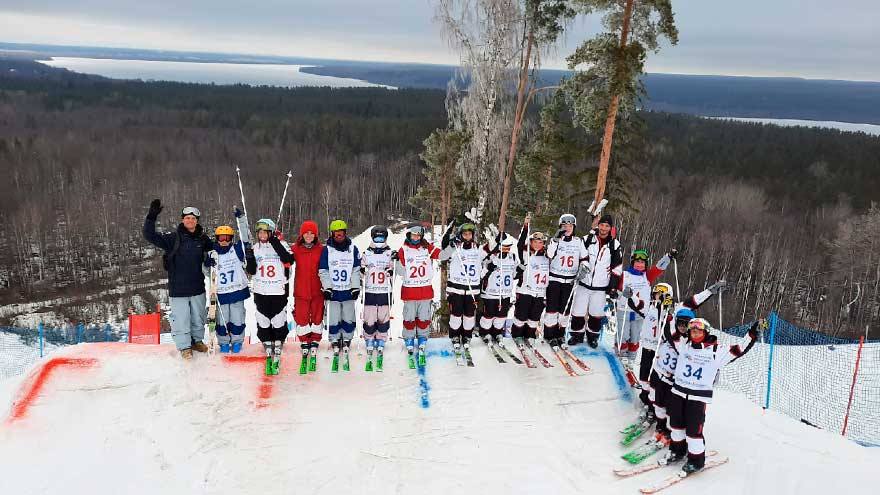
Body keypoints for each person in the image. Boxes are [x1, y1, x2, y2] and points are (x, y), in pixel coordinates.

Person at [663, 316, 762, 473]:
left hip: (697, 398)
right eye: (692, 331)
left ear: (705, 332)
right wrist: (667, 315)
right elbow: (671, 332)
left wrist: (752, 333)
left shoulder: (716, 351)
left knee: (693, 432)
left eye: (698, 331)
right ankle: (677, 451)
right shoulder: (684, 345)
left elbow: (739, 349)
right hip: (678, 393)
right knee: (675, 426)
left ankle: (696, 461)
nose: (694, 334)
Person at [651, 281, 727, 441]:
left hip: (678, 381)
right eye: (681, 324)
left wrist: (711, 291)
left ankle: (676, 435)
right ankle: (661, 426)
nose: (684, 327)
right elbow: (669, 323)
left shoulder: (689, 341)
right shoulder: (673, 323)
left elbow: (694, 301)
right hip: (661, 372)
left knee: (673, 411)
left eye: (688, 325)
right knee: (659, 404)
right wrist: (666, 310)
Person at [142, 199, 212, 360]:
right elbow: (149, 235)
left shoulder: (203, 239)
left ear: (197, 221)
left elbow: (216, 251)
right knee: (181, 319)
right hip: (178, 289)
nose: (190, 220)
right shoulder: (172, 238)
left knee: (198, 317)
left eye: (193, 218)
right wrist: (152, 216)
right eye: (187, 217)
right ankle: (184, 346)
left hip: (197, 287)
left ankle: (197, 341)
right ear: (182, 220)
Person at [245, 218, 294, 375]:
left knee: (278, 318)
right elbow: (251, 271)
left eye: (265, 232)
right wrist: (250, 257)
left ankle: (279, 339)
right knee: (263, 318)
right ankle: (266, 340)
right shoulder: (256, 247)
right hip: (260, 290)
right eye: (259, 232)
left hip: (278, 290)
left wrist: (275, 242)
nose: (262, 235)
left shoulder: (281, 244)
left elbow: (289, 259)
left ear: (271, 232)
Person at [569, 214, 623, 348]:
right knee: (578, 311)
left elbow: (617, 268)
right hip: (584, 283)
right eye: (602, 225)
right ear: (598, 225)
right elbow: (579, 257)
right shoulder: (587, 240)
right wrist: (578, 271)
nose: (604, 228)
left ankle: (592, 337)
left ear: (611, 228)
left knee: (596, 313)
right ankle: (576, 335)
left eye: (607, 226)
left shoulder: (615, 245)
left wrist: (613, 286)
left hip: (600, 286)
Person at [204, 207, 251, 353]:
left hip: (237, 291)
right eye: (221, 238)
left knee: (237, 319)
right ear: (217, 239)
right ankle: (223, 342)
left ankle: (237, 341)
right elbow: (206, 272)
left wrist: (241, 219)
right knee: (222, 319)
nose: (224, 241)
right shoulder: (212, 252)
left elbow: (246, 238)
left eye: (227, 238)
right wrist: (207, 264)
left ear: (231, 239)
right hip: (221, 294)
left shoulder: (236, 250)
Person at [617, 249, 674, 361]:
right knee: (623, 335)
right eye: (637, 262)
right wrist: (619, 293)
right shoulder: (625, 275)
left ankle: (631, 359)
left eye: (642, 263)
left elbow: (659, 268)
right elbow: (618, 289)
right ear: (633, 262)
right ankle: (621, 354)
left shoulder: (647, 276)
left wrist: (668, 257)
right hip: (624, 310)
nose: (639, 265)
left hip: (639, 313)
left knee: (635, 337)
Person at [542, 214, 589, 348]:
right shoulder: (556, 240)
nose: (567, 228)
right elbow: (549, 255)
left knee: (564, 311)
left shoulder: (578, 242)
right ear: (560, 227)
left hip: (569, 281)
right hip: (555, 279)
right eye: (564, 225)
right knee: (552, 310)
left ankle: (560, 334)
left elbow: (585, 259)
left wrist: (583, 269)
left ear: (574, 227)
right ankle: (549, 335)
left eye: (570, 225)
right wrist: (555, 240)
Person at [396, 225, 441, 363]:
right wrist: (397, 260)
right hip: (410, 291)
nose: (416, 238)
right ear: (408, 235)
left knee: (424, 317)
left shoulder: (427, 248)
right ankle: (409, 339)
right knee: (409, 317)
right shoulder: (403, 250)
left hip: (425, 290)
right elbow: (400, 272)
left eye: (418, 235)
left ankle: (422, 338)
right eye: (413, 235)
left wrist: (450, 245)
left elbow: (442, 255)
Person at [318, 219, 362, 359]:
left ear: (345, 233)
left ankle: (348, 337)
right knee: (334, 317)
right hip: (334, 290)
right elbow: (323, 270)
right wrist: (327, 288)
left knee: (348, 316)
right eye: (336, 233)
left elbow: (356, 270)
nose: (339, 235)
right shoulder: (327, 250)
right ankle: (334, 339)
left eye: (341, 232)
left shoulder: (353, 249)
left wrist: (355, 287)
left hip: (348, 289)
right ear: (332, 234)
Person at [440, 222, 483, 353]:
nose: (467, 236)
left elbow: (487, 260)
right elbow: (442, 255)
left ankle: (467, 337)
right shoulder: (455, 248)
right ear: (460, 235)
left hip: (472, 289)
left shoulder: (478, 248)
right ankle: (454, 337)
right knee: (456, 316)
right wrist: (447, 236)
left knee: (469, 316)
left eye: (470, 234)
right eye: (465, 234)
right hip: (456, 289)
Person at [360, 225, 395, 369]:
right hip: (370, 291)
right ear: (372, 238)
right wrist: (362, 271)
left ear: (385, 238)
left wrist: (391, 269)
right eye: (377, 237)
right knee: (369, 317)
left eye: (382, 237)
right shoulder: (366, 253)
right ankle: (369, 338)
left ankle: (381, 339)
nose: (379, 240)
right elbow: (361, 268)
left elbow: (393, 267)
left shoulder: (389, 253)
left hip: (384, 291)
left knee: (383, 316)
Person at [512, 215, 549, 348]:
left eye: (541, 242)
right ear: (531, 242)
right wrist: (526, 226)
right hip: (525, 290)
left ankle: (530, 336)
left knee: (534, 318)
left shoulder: (547, 256)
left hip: (540, 292)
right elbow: (520, 242)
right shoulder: (525, 252)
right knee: (521, 316)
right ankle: (517, 335)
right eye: (535, 241)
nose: (538, 244)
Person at [291, 220, 324, 369]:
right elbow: (283, 255)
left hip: (318, 290)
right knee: (302, 318)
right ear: (302, 234)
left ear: (316, 235)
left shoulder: (321, 249)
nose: (309, 235)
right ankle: (304, 340)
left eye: (312, 233)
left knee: (317, 317)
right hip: (301, 291)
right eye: (306, 233)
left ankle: (315, 340)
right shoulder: (295, 249)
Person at [479, 233, 518, 344]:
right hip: (490, 293)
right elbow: (481, 275)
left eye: (508, 247)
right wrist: (488, 269)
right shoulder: (490, 257)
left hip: (505, 293)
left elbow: (514, 274)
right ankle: (485, 333)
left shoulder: (513, 257)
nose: (506, 250)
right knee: (489, 315)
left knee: (501, 316)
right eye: (504, 247)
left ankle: (497, 333)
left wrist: (520, 270)